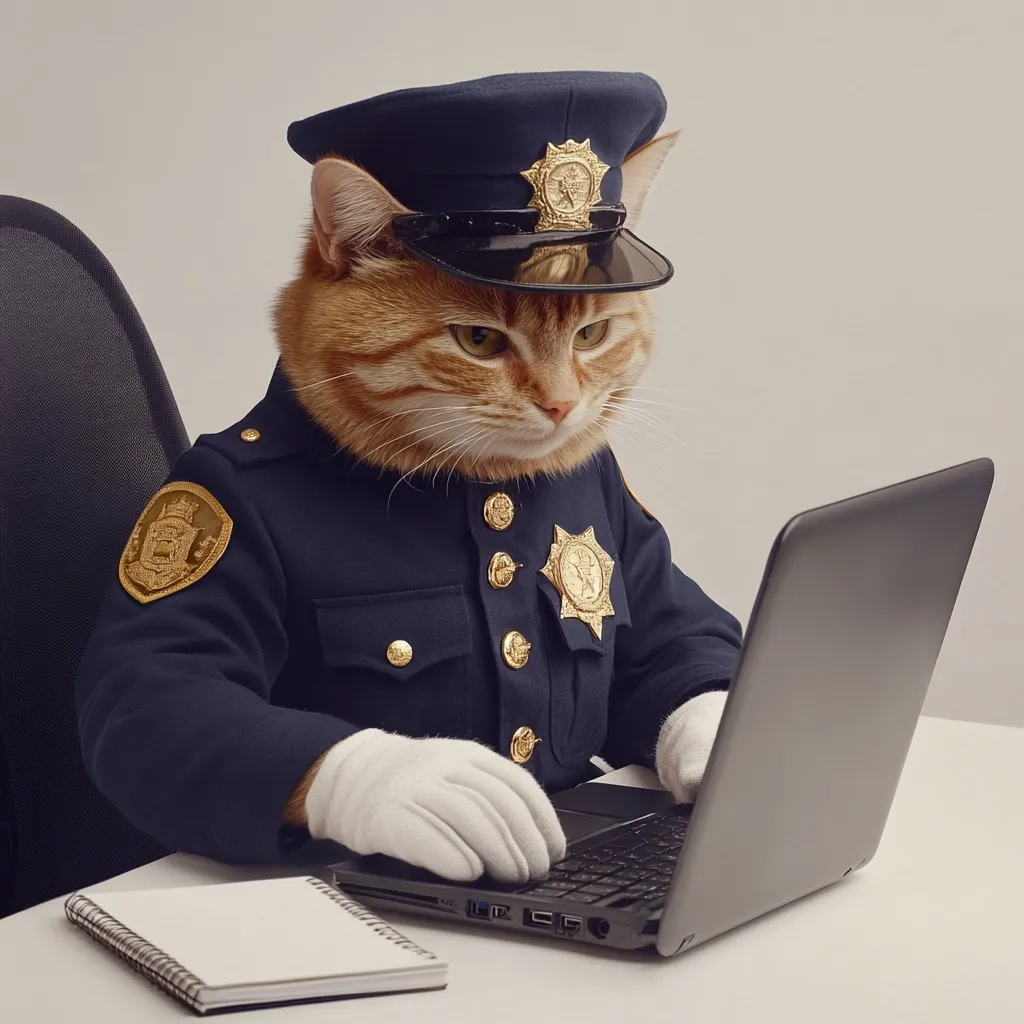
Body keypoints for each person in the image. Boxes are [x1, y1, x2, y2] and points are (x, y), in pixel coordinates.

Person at [76, 71, 742, 884]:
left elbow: (665, 633)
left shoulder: (578, 469)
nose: (560, 398)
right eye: (482, 339)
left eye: (590, 333)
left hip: (563, 885)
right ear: (354, 253)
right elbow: (141, 710)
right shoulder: (244, 493)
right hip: (339, 906)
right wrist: (337, 779)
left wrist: (700, 713)